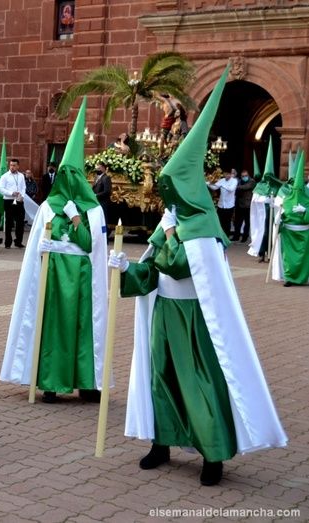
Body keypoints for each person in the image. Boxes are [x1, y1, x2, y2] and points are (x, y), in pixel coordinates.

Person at [108, 66, 286, 487]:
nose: (165, 196)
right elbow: (154, 270)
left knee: (198, 383)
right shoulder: (170, 221)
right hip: (166, 312)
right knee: (162, 378)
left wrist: (171, 233)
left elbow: (180, 264)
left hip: (195, 318)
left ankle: (212, 453)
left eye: (171, 188)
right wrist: (127, 269)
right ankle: (161, 442)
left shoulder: (203, 228)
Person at [0, 97, 109, 404]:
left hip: (83, 277)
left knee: (83, 327)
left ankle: (87, 382)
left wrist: (75, 218)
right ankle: (50, 382)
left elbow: (90, 244)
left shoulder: (93, 210)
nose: (69, 181)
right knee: (54, 326)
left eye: (74, 176)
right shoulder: (48, 207)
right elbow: (37, 242)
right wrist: (43, 248)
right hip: (54, 276)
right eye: (65, 175)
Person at [278, 150, 309, 287]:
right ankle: (289, 278)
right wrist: (278, 220)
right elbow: (280, 214)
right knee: (288, 256)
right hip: (289, 234)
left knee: (303, 257)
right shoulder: (286, 198)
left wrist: (306, 210)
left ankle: (301, 278)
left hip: (304, 233)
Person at [0, 158, 26, 249]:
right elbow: (0, 189)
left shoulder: (21, 176)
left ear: (18, 166)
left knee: (20, 221)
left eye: (14, 165)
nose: (12, 167)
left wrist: (22, 196)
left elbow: (23, 187)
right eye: (11, 165)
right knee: (9, 222)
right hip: (8, 201)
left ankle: (18, 242)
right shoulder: (5, 176)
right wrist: (11, 193)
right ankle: (8, 243)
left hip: (19, 200)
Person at [207, 170, 238, 237]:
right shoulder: (222, 180)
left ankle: (226, 237)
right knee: (220, 221)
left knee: (227, 222)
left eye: (228, 174)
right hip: (221, 205)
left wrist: (222, 185)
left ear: (230, 174)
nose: (227, 175)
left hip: (229, 206)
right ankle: (220, 236)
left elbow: (231, 189)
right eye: (225, 174)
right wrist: (208, 184)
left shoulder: (234, 181)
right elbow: (215, 187)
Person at [233, 169, 255, 242]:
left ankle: (245, 237)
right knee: (237, 222)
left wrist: (237, 187)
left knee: (247, 222)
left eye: (245, 175)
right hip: (239, 205)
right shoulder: (240, 181)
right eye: (243, 176)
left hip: (247, 206)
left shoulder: (252, 181)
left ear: (248, 175)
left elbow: (246, 187)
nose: (244, 177)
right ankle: (236, 236)